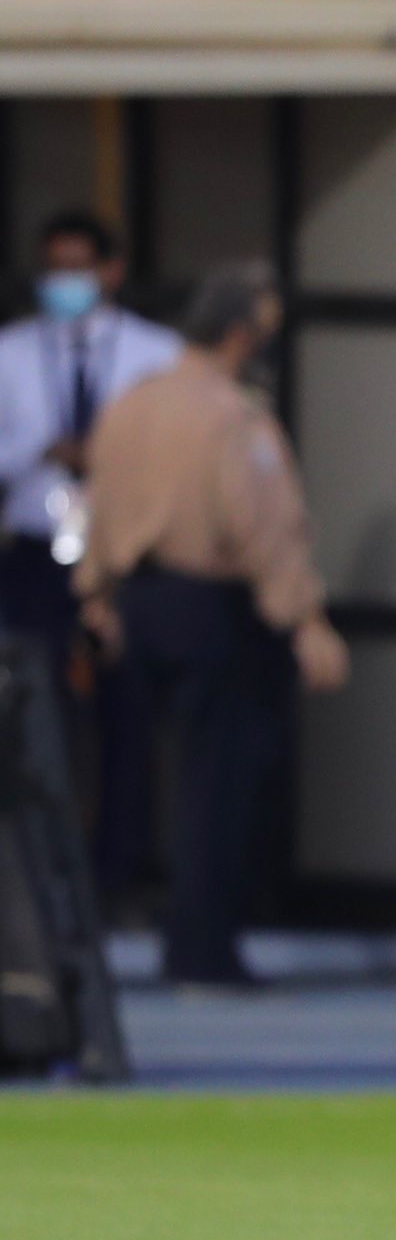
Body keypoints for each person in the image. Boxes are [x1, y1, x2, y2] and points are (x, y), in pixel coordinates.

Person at [74, 261, 349, 989]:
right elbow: (263, 524)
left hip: (139, 602)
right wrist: (305, 618)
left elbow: (97, 502)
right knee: (217, 783)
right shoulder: (232, 415)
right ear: (240, 335)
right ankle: (201, 949)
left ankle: (136, 914)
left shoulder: (132, 403)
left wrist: (96, 591)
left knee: (145, 773)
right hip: (209, 607)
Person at [0, 211, 181, 889]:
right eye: (54, 270)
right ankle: (42, 879)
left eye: (79, 269)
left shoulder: (153, 354)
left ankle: (115, 876)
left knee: (126, 718)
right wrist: (39, 449)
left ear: (111, 270)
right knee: (36, 715)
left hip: (124, 551)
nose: (64, 283)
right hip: (37, 549)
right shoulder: (11, 351)